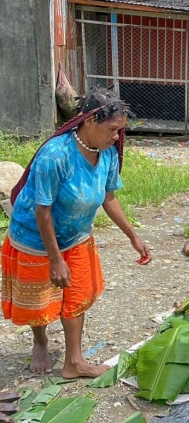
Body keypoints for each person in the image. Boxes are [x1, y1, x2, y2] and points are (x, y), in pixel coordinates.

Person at [2, 87, 151, 378]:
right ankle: (40, 341)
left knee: (77, 294)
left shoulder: (105, 153)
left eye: (120, 131)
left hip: (77, 235)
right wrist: (56, 260)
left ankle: (74, 362)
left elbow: (109, 198)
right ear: (89, 122)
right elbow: (42, 211)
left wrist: (132, 235)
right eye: (112, 130)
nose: (117, 137)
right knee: (41, 301)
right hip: (36, 237)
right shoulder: (55, 156)